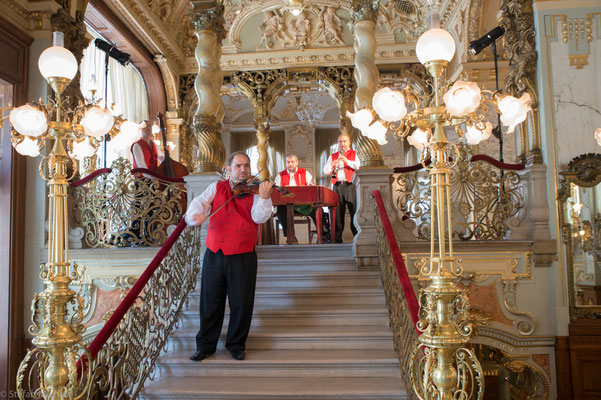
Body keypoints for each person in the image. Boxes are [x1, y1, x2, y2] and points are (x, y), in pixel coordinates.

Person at [185, 152, 274, 362]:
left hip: (243, 254)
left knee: (241, 302)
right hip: (215, 253)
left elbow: (259, 217)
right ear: (228, 169)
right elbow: (200, 202)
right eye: (237, 166)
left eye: (246, 165)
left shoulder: (256, 191)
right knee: (210, 301)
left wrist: (264, 197)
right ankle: (206, 346)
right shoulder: (216, 187)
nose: (242, 169)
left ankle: (236, 344)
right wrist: (194, 216)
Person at [274, 154, 330, 243]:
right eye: (288, 162)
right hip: (288, 205)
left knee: (318, 208)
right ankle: (290, 236)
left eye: (292, 162)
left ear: (296, 162)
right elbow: (276, 189)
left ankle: (324, 236)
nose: (290, 164)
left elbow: (311, 186)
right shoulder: (280, 175)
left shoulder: (305, 173)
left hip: (304, 205)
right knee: (280, 211)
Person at [323, 133, 361, 243]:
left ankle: (356, 237)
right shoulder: (333, 156)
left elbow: (358, 166)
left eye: (344, 141)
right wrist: (332, 166)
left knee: (354, 210)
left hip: (350, 186)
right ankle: (337, 238)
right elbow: (325, 171)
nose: (342, 144)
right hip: (337, 186)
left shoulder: (354, 154)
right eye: (340, 141)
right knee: (338, 213)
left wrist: (346, 160)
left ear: (349, 143)